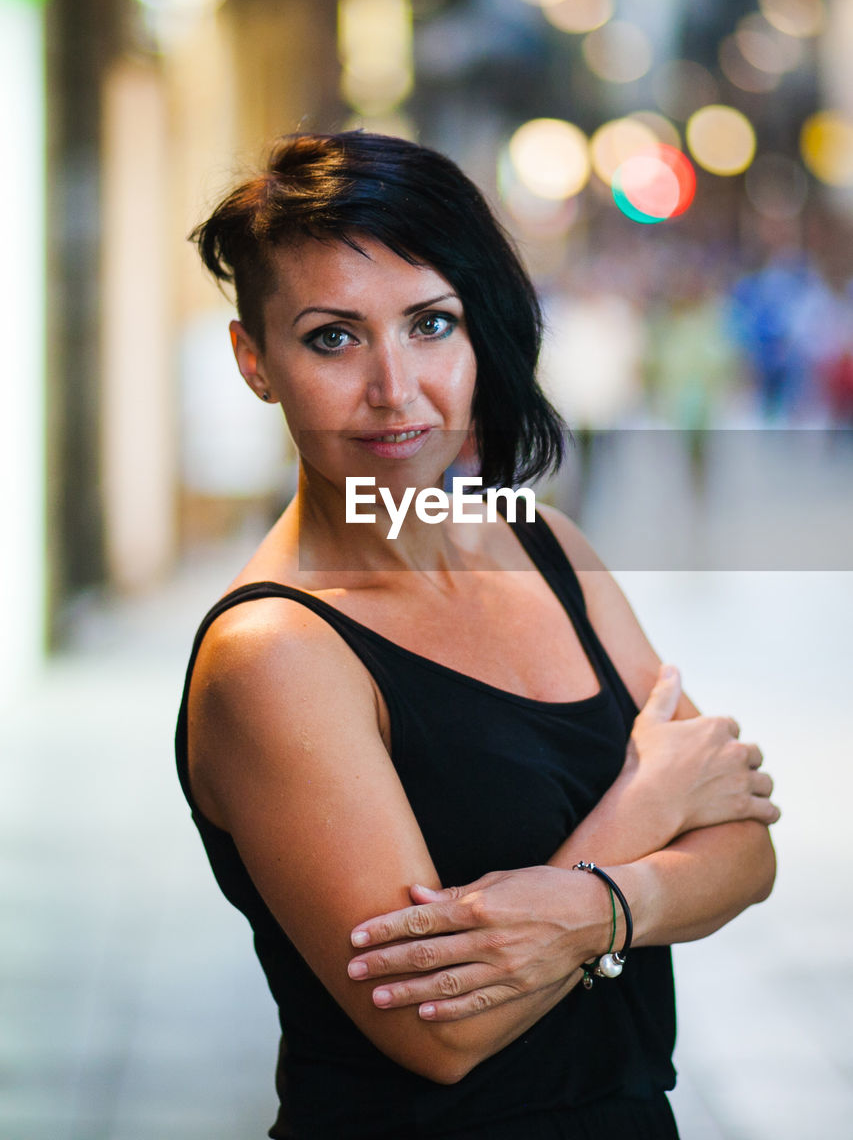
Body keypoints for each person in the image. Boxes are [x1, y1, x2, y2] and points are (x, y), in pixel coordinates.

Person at [175, 131, 779, 1140]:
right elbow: (438, 1029)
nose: (395, 387)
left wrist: (586, 910)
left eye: (430, 324)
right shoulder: (274, 650)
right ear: (256, 362)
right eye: (332, 336)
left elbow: (744, 847)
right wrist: (647, 805)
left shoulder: (546, 547)